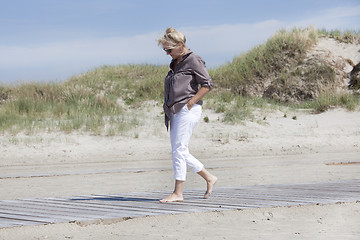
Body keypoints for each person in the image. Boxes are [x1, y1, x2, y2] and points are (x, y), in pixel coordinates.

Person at [157, 27, 218, 203]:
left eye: (169, 49)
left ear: (181, 45)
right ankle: (208, 177)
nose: (167, 53)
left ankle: (178, 192)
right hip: (174, 111)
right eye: (165, 50)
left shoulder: (193, 59)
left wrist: (190, 103)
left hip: (187, 109)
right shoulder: (176, 62)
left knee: (179, 150)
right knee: (179, 151)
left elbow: (207, 84)